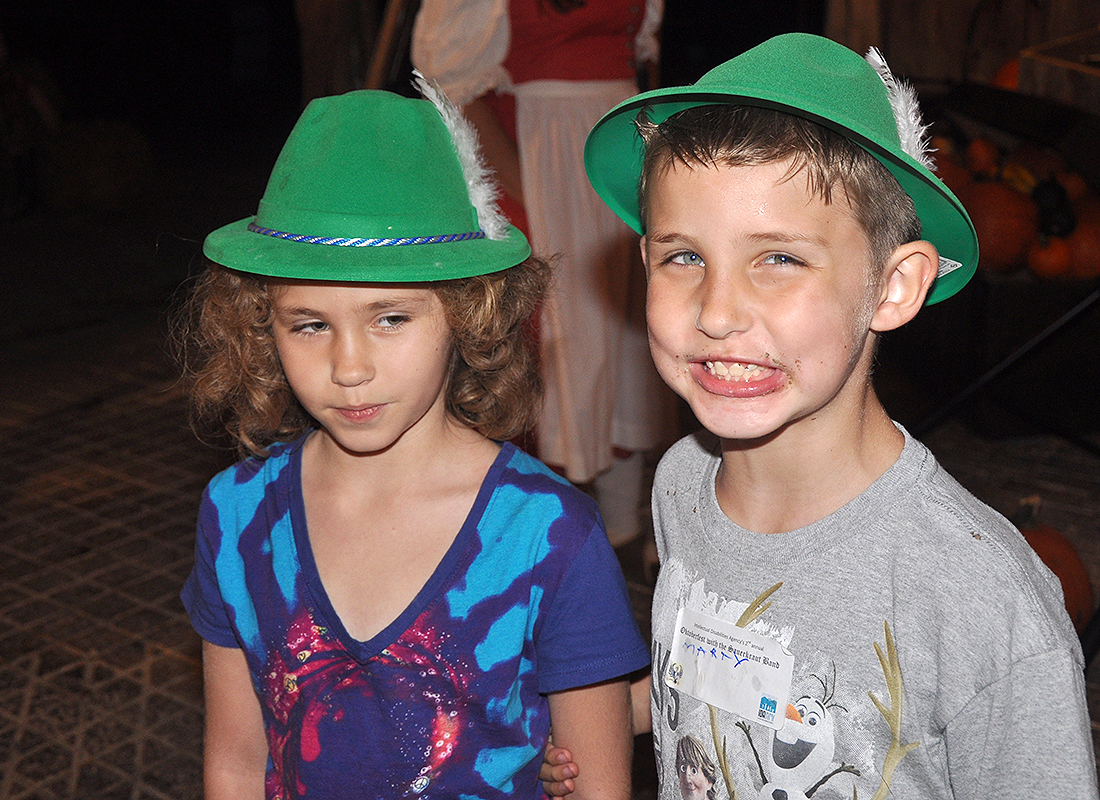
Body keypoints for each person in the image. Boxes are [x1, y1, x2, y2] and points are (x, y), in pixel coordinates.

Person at [540, 32, 1099, 799]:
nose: (717, 311)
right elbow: (730, 676)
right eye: (684, 256)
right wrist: (605, 718)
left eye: (779, 259)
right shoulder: (681, 483)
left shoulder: (980, 599)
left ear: (894, 287)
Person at [176, 82, 650, 799]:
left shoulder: (549, 538)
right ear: (260, 328)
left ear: (469, 314)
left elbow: (597, 783)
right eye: (309, 324)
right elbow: (239, 763)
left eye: (390, 318)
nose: (350, 367)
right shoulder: (238, 517)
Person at [411, 0, 677, 546]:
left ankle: (623, 530)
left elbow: (638, 54)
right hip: (542, 149)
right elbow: (453, 88)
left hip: (620, 147)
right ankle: (541, 532)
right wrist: (519, 185)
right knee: (561, 333)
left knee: (626, 331)